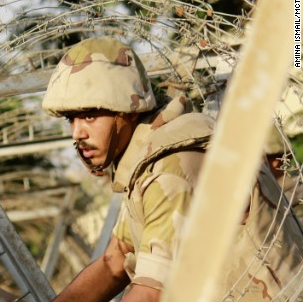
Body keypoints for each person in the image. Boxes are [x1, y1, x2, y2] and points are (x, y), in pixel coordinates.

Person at [41, 37, 303, 301]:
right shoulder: (147, 162)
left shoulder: (171, 170)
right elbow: (115, 259)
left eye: (89, 115)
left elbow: (151, 295)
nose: (77, 133)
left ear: (127, 110)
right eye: (70, 119)